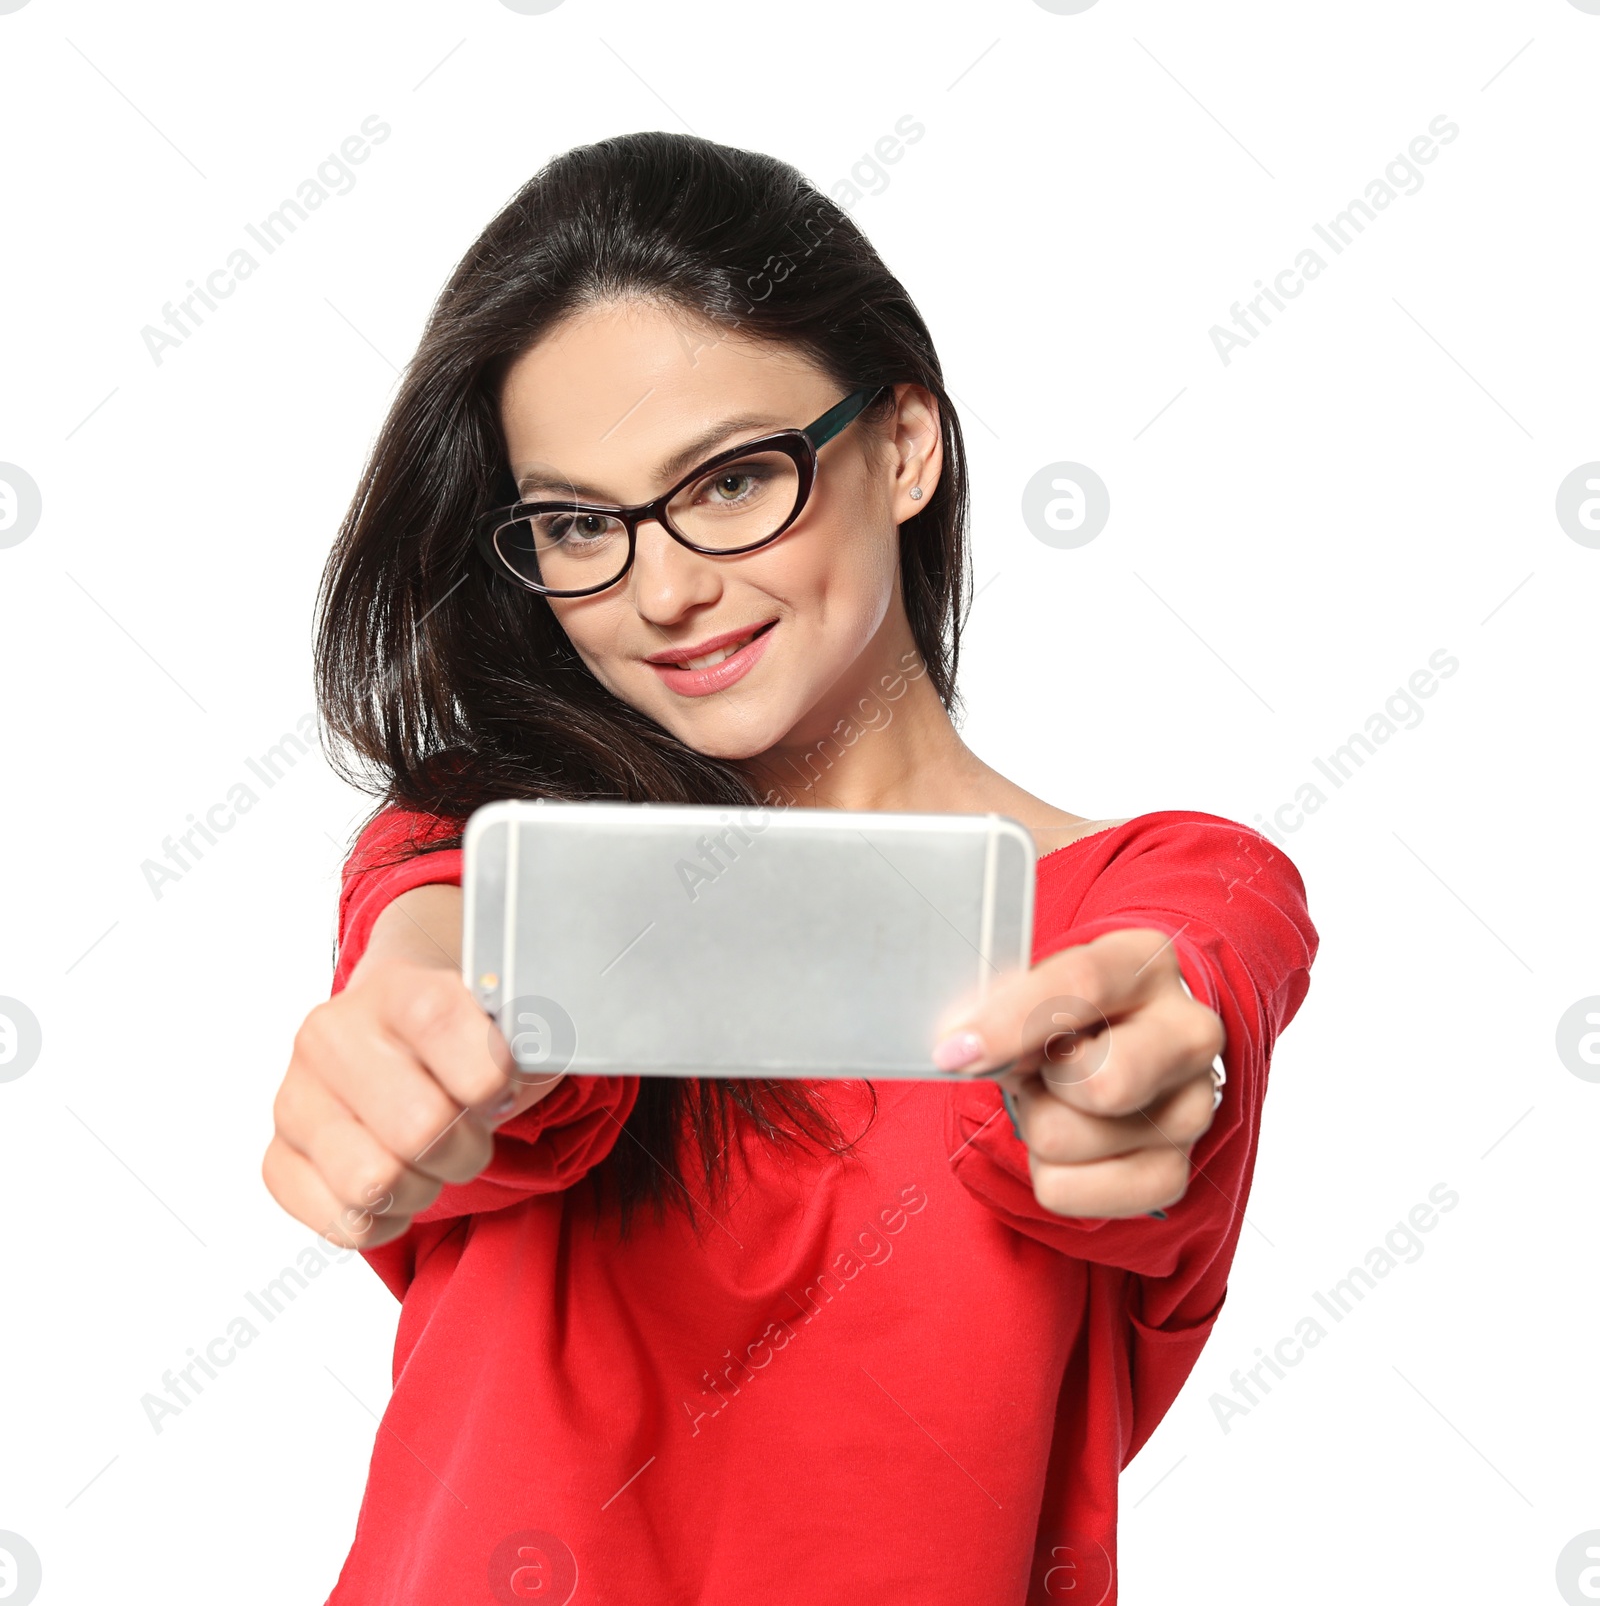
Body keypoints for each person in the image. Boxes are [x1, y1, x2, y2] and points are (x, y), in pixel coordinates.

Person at [263, 131, 1318, 1605]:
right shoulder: (482, 847)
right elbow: (430, 945)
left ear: (902, 446)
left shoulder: (1159, 901)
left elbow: (1193, 959)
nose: (666, 585)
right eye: (579, 523)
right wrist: (407, 1045)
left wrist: (1139, 1075)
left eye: (732, 479)